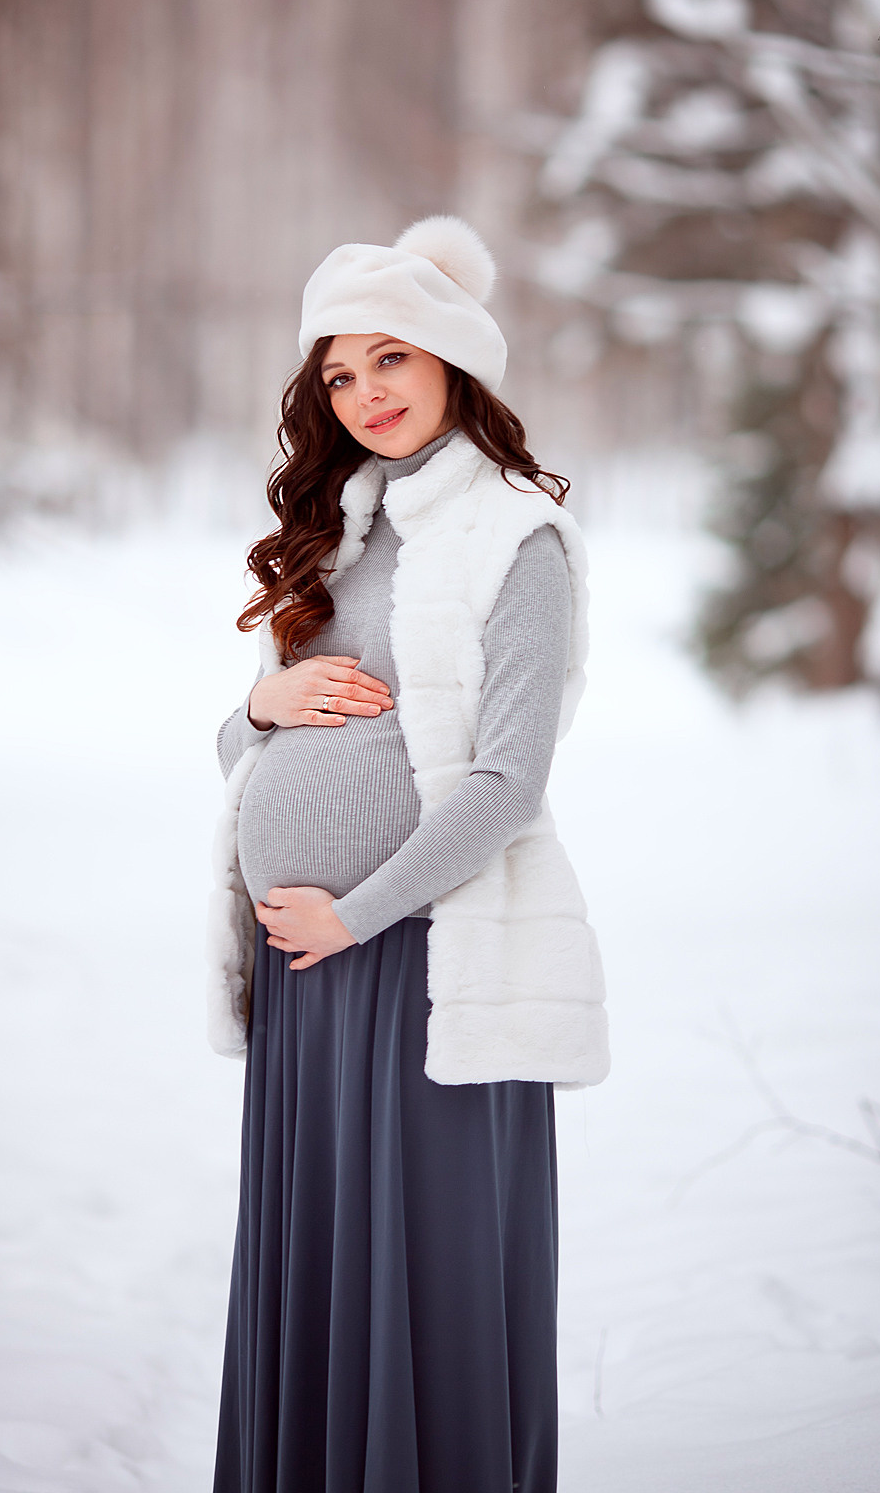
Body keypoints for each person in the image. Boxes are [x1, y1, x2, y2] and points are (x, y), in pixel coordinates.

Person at [208, 216, 608, 1493]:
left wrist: (358, 916)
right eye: (338, 373)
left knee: (422, 1268)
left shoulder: (515, 538)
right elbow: (245, 738)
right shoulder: (342, 532)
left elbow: (506, 784)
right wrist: (258, 710)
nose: (366, 393)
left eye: (391, 360)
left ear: (449, 363)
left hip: (420, 967)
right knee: (321, 1268)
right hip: (308, 977)